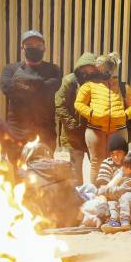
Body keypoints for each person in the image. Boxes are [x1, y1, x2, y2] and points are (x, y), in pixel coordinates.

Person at [74, 53, 131, 184]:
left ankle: (116, 191)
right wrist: (91, 114)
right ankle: (95, 193)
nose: (104, 72)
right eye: (101, 69)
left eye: (107, 68)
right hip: (95, 129)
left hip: (118, 129)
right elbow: (78, 104)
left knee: (119, 161)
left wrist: (124, 115)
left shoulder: (123, 87)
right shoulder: (89, 85)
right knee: (97, 162)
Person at [0, 30, 61, 151]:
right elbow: (7, 88)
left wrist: (22, 84)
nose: (35, 48)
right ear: (22, 48)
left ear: (44, 48)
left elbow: (50, 89)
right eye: (30, 46)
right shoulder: (10, 69)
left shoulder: (54, 69)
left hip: (45, 130)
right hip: (17, 129)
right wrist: (39, 84)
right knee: (15, 167)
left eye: (39, 45)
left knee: (45, 168)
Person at [55, 52, 98, 185]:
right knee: (75, 170)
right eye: (85, 69)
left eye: (91, 69)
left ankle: (98, 197)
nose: (87, 72)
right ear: (79, 68)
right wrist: (72, 123)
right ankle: (77, 199)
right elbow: (59, 104)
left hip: (94, 132)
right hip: (73, 134)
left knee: (98, 168)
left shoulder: (99, 82)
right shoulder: (69, 81)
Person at [99, 152, 131, 234]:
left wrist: (105, 191)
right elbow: (113, 185)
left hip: (130, 202)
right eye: (124, 164)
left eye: (127, 166)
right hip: (118, 199)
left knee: (126, 197)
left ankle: (125, 221)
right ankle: (114, 221)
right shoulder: (122, 172)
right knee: (112, 203)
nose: (124, 167)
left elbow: (122, 191)